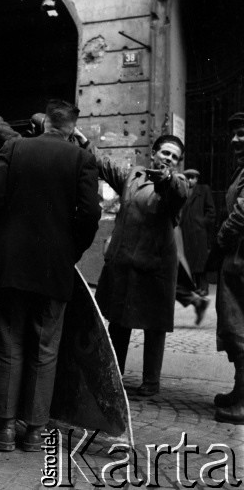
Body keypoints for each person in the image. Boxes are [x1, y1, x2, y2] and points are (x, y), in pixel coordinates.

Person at [0, 99, 100, 451]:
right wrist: (68, 251)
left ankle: (4, 430)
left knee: (8, 343)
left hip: (10, 263)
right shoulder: (82, 159)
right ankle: (35, 432)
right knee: (46, 349)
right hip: (54, 269)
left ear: (45, 122)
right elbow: (90, 215)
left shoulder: (14, 148)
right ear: (71, 127)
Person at [95, 135, 188, 397]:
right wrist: (81, 141)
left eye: (174, 157)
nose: (168, 159)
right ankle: (114, 374)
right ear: (154, 153)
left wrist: (168, 179)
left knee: (155, 324)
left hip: (156, 265)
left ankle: (151, 382)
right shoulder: (134, 176)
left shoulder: (175, 184)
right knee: (119, 319)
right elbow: (106, 164)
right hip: (125, 260)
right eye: (165, 153)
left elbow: (179, 192)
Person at [213, 112, 244, 424]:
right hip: (237, 259)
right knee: (235, 327)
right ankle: (240, 390)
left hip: (240, 258)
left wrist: (220, 241)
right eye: (234, 133)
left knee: (239, 329)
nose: (236, 140)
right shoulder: (241, 170)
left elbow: (241, 213)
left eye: (242, 133)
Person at [179, 169, 216, 296]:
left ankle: (203, 287)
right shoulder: (182, 191)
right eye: (187, 177)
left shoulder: (203, 190)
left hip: (198, 232)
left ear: (197, 179)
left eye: (192, 177)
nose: (189, 180)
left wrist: (202, 223)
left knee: (201, 262)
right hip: (185, 230)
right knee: (189, 261)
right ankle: (192, 287)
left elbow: (211, 211)